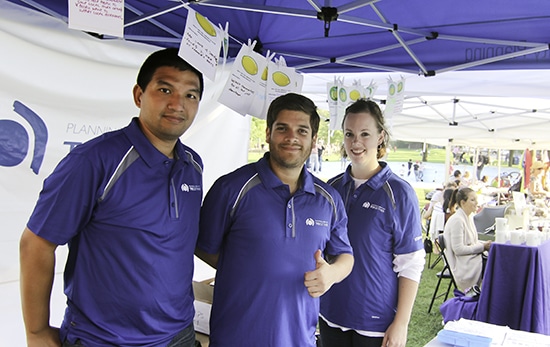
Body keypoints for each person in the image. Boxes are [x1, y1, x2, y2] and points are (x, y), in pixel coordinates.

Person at [19, 48, 204, 347]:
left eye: (190, 95)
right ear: (139, 95)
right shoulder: (94, 161)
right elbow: (37, 243)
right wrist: (37, 332)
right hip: (104, 339)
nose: (177, 104)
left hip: (178, 336)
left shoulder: (192, 166)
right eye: (165, 89)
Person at [195, 93, 354, 347]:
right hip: (235, 338)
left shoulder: (329, 199)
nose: (292, 137)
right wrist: (246, 269)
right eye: (283, 128)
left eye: (302, 131)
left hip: (299, 339)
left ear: (314, 141)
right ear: (268, 133)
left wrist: (332, 274)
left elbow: (346, 255)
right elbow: (203, 246)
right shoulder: (231, 189)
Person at [319, 99, 425, 347]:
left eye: (365, 134)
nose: (356, 142)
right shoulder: (331, 189)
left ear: (380, 137)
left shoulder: (398, 193)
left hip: (375, 322)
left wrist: (401, 323)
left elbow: (410, 263)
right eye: (349, 134)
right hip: (331, 313)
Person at [444, 188, 492, 292]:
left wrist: (485, 244)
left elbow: (473, 242)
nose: (476, 203)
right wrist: (483, 247)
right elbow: (459, 249)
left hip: (470, 259)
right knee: (493, 266)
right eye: (473, 200)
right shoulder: (458, 220)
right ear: (463, 202)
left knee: (494, 261)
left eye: (476, 199)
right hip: (463, 265)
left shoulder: (468, 217)